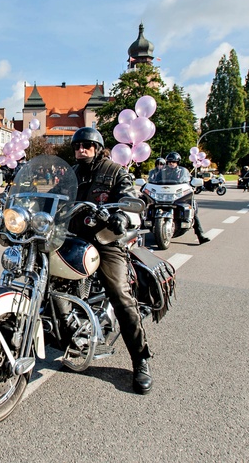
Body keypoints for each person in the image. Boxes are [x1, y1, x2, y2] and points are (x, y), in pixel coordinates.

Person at [69, 127, 152, 395]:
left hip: (104, 239)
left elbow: (130, 197)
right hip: (70, 236)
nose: (81, 150)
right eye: (77, 145)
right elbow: (52, 195)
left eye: (86, 145)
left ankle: (140, 359)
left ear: (97, 147)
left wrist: (122, 216)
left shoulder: (115, 171)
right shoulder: (70, 173)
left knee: (119, 293)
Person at [158, 152, 210, 244]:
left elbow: (188, 180)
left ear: (177, 162)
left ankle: (200, 235)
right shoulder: (163, 171)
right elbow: (156, 180)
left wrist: (192, 183)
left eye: (173, 162)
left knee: (192, 209)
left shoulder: (182, 172)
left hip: (178, 195)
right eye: (169, 162)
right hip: (165, 195)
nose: (171, 163)